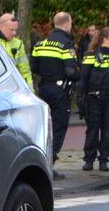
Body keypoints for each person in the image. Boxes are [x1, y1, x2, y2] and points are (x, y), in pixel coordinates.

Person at [30, 11, 79, 179]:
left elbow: (34, 67)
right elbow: (71, 71)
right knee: (58, 128)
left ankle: (41, 163)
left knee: (43, 127)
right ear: (67, 24)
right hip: (60, 92)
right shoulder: (66, 44)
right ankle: (49, 165)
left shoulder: (40, 44)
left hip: (43, 89)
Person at [76, 27, 109, 172]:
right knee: (93, 130)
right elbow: (83, 79)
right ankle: (89, 160)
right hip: (94, 98)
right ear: (105, 39)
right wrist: (80, 99)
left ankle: (104, 160)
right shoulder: (91, 55)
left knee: (108, 130)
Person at [0, 12, 34, 90]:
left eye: (15, 30)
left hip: (12, 89)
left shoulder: (18, 44)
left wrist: (30, 91)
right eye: (11, 30)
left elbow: (25, 72)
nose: (14, 33)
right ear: (1, 27)